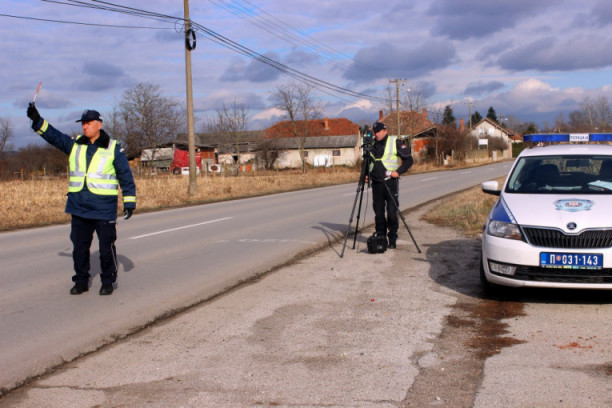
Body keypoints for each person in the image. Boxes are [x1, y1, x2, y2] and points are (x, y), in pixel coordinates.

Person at [27, 104, 136, 295]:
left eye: (88, 123)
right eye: (83, 123)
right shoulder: (76, 144)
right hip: (79, 206)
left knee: (105, 248)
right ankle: (81, 281)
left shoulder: (113, 148)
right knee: (79, 248)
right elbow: (54, 137)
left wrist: (129, 202)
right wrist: (37, 120)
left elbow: (125, 176)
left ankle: (108, 281)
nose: (85, 126)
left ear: (99, 125)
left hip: (103, 208)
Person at [368, 121, 413, 249]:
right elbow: (368, 162)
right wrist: (366, 174)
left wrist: (398, 172)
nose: (376, 134)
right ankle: (381, 238)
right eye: (375, 132)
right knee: (378, 213)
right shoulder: (371, 144)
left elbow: (409, 160)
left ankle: (392, 238)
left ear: (385, 131)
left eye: (378, 132)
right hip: (376, 183)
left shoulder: (394, 142)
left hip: (390, 182)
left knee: (392, 212)